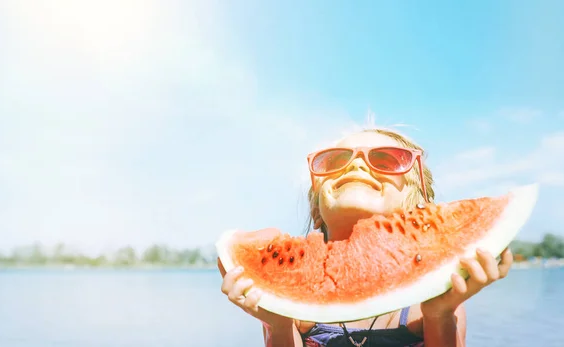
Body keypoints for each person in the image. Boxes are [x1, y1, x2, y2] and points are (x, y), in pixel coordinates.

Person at [218, 124, 514, 347]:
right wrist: (277, 323)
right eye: (334, 161)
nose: (357, 164)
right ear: (316, 209)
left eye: (386, 160)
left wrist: (439, 314)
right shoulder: (293, 308)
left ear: (420, 209)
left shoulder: (435, 294)